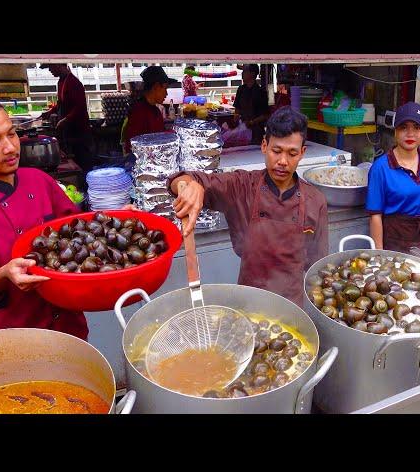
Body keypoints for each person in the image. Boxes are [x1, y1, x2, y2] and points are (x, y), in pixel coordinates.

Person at [0, 90, 136, 340]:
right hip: (17, 331)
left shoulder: (38, 180)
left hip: (70, 323)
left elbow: (78, 229)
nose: (9, 147)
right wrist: (3, 273)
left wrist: (112, 220)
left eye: (11, 133)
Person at [167, 106, 328, 307]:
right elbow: (178, 182)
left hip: (292, 310)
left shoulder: (316, 201)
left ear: (302, 153)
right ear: (264, 146)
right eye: (276, 151)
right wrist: (190, 185)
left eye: (292, 153)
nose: (283, 161)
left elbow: (319, 271)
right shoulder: (241, 186)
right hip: (247, 305)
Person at [365, 101, 420, 254]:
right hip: (398, 240)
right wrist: (379, 254)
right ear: (395, 132)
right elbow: (375, 216)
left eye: (416, 127)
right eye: (403, 127)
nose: (410, 133)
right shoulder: (380, 168)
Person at [40, 63, 93, 173]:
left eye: (51, 67)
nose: (50, 70)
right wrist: (50, 111)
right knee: (72, 160)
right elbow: (61, 103)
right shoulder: (61, 82)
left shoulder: (74, 83)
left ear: (59, 65)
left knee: (82, 159)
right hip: (68, 130)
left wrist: (65, 120)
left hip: (79, 131)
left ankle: (87, 183)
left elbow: (79, 107)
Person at [122, 66, 177, 154]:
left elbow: (159, 135)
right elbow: (132, 146)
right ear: (156, 87)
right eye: (165, 88)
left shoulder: (156, 111)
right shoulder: (138, 112)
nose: (166, 93)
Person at [233, 64, 270, 145]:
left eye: (245, 71)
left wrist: (251, 122)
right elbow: (237, 109)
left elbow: (265, 115)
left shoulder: (261, 92)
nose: (242, 73)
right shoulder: (241, 89)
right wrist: (236, 118)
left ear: (252, 74)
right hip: (242, 130)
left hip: (256, 133)